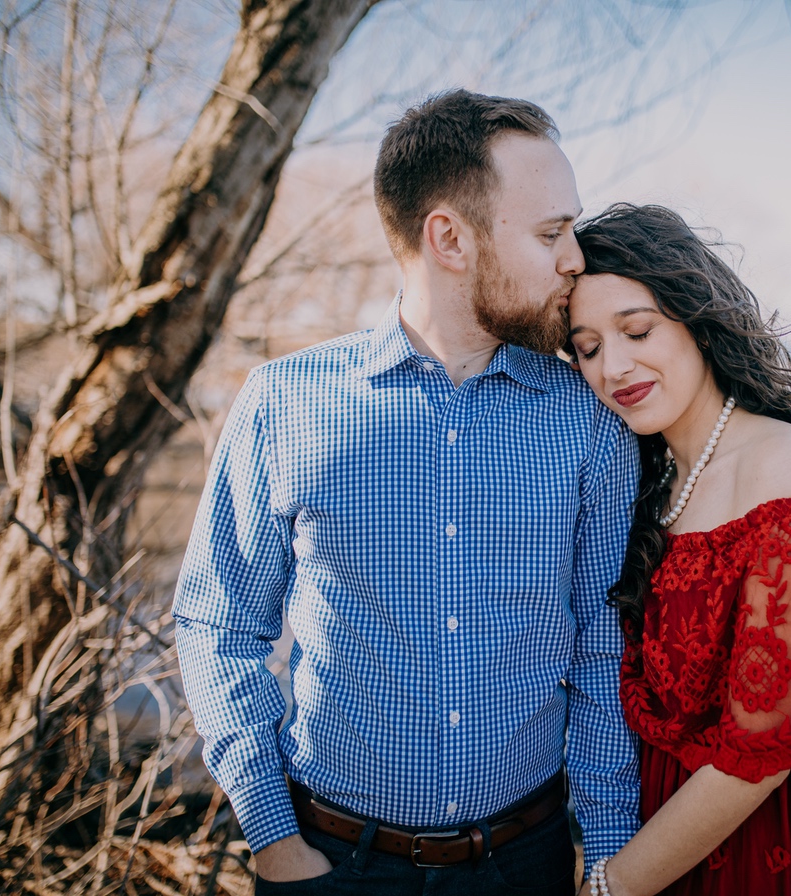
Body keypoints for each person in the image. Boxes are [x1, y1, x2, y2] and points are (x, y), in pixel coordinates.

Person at [173, 90, 640, 895]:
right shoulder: (285, 403)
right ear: (449, 238)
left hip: (523, 864)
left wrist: (605, 861)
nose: (576, 259)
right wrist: (274, 838)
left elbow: (603, 653)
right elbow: (218, 623)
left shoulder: (590, 420)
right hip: (330, 865)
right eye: (551, 233)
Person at [564, 204, 791, 896]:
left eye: (637, 329)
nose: (614, 366)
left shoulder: (780, 469)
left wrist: (615, 885)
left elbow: (764, 748)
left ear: (697, 319)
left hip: (760, 845)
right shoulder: (649, 475)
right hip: (661, 830)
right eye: (589, 347)